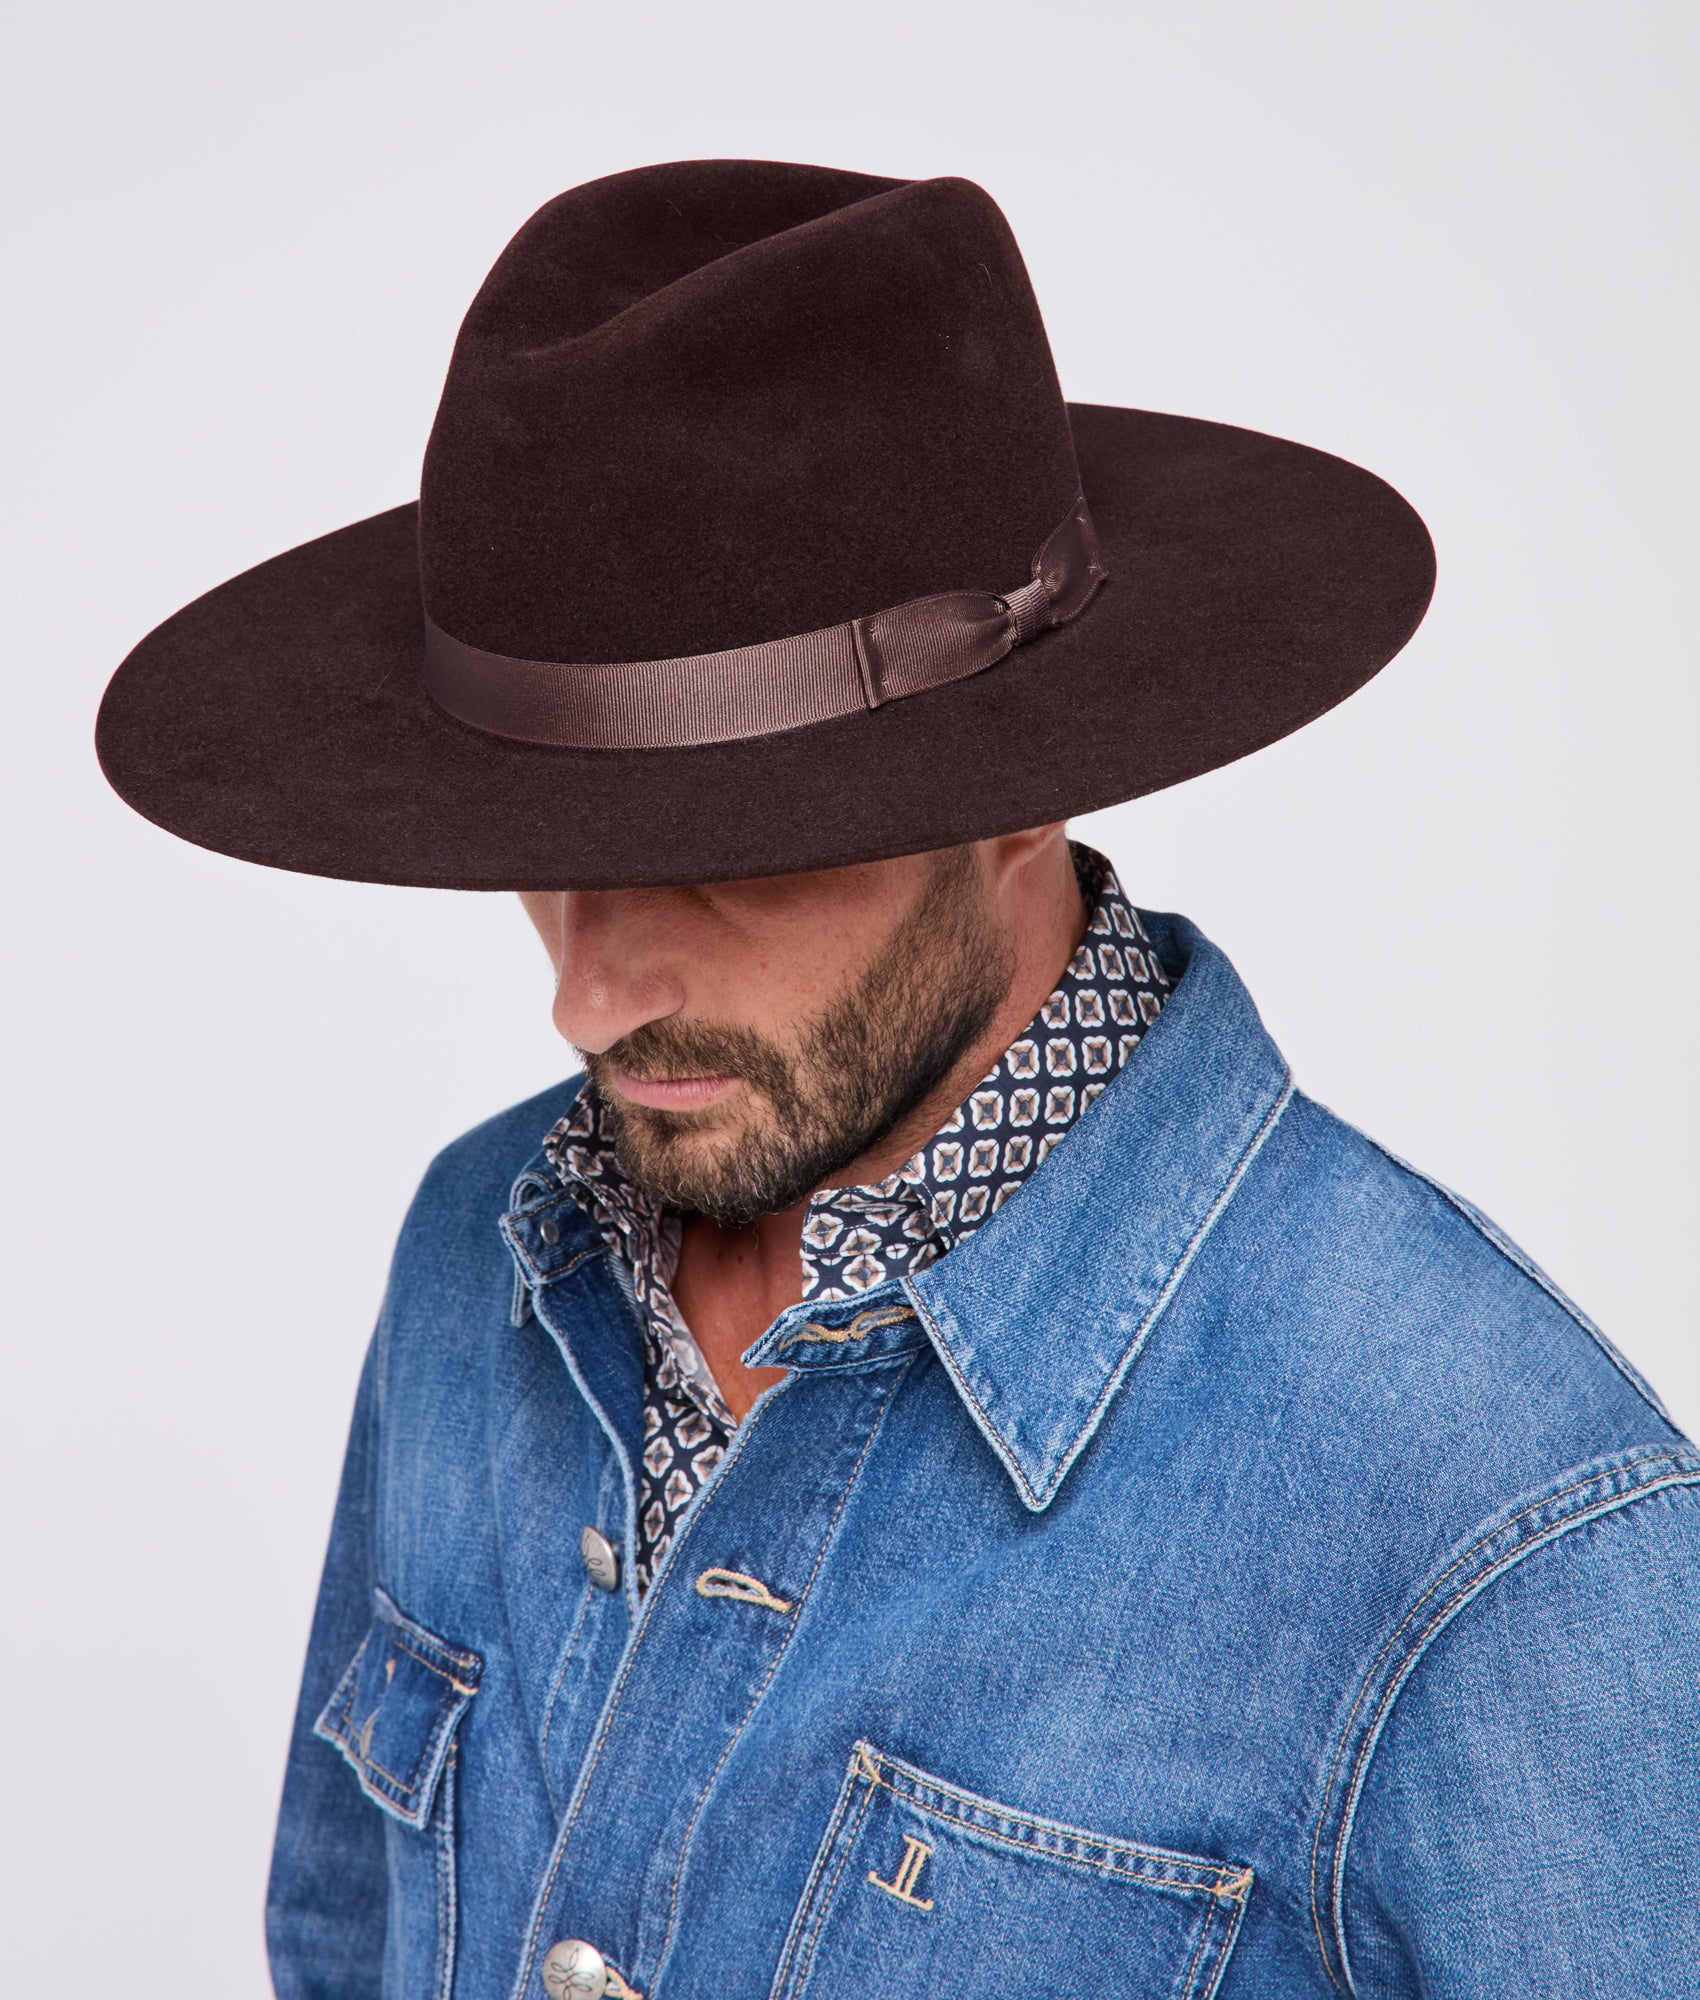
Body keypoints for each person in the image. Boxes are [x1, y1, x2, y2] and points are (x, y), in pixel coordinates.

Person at [96, 160, 1697, 2000]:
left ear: (1016, 791)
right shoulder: (481, 1247)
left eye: (721, 851)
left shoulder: (1494, 1532)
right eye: (538, 851)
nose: (585, 993)